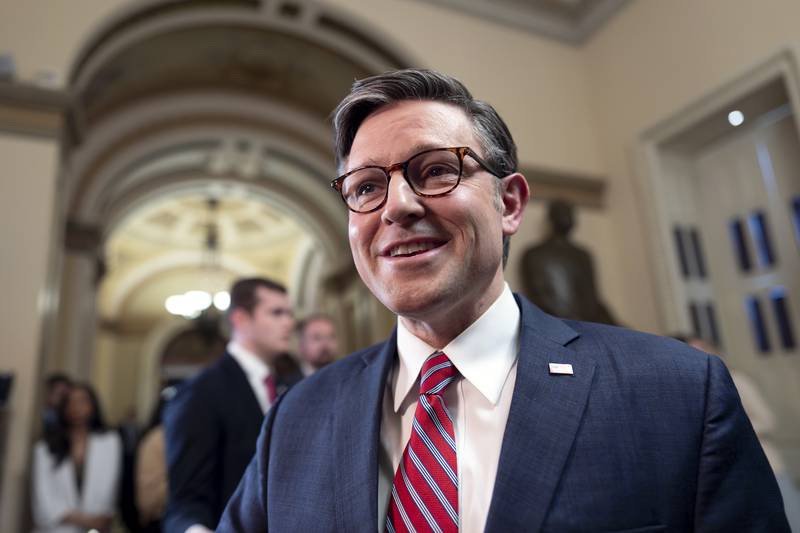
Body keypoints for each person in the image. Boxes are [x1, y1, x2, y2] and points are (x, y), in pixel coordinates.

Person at [219, 69, 789, 532]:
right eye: (365, 187)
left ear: (509, 204)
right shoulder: (296, 419)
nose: (396, 207)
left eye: (436, 170)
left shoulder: (680, 394)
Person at [163, 277, 298, 533]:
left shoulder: (291, 388)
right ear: (240, 319)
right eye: (276, 313)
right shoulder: (201, 392)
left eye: (290, 313)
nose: (289, 323)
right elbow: (185, 501)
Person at [32, 382, 122, 533]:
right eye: (71, 402)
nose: (77, 407)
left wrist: (96, 520)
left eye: (82, 401)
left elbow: (110, 490)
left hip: (95, 529)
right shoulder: (45, 447)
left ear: (93, 405)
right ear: (64, 408)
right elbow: (43, 501)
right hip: (57, 528)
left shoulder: (110, 442)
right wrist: (86, 519)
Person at [520, 199, 616, 324]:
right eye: (561, 213)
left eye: (569, 213)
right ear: (551, 218)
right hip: (555, 325)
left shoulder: (583, 255)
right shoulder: (534, 254)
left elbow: (592, 300)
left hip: (589, 326)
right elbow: (538, 298)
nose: (567, 217)